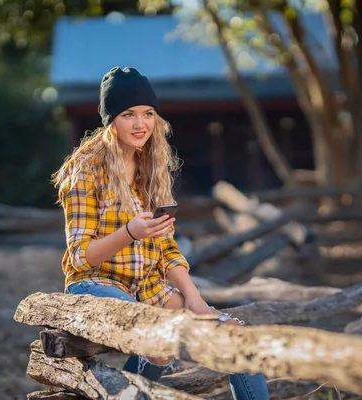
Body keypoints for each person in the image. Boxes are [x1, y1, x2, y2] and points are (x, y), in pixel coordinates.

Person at [51, 66, 270, 400]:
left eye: (148, 113)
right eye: (128, 114)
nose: (141, 124)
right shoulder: (85, 170)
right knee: (156, 338)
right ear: (110, 120)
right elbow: (80, 257)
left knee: (236, 339)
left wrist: (193, 298)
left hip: (149, 289)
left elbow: (167, 249)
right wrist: (130, 232)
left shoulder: (152, 167)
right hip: (95, 285)